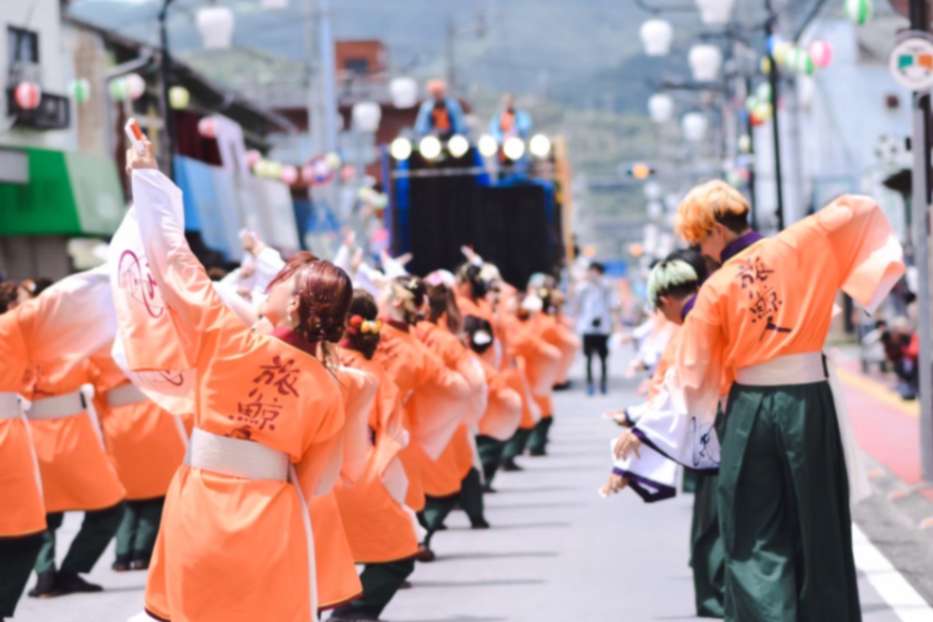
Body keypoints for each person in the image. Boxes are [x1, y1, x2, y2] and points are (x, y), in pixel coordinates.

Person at [612, 180, 904, 622]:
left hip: (751, 409)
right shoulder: (805, 240)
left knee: (753, 530)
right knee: (820, 522)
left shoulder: (715, 290)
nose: (701, 251)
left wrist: (644, 428)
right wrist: (868, 290)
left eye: (699, 239)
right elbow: (859, 209)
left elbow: (691, 375)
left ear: (715, 230)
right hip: (810, 399)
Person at [118, 140, 349, 622]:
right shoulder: (329, 388)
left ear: (293, 304)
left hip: (201, 506)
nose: (271, 282)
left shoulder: (227, 337)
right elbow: (316, 483)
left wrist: (146, 178)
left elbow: (175, 264)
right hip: (273, 519)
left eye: (282, 277)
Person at [0, 268, 116, 616]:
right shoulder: (15, 329)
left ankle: (48, 576)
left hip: (30, 431)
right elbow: (66, 297)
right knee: (28, 530)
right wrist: (114, 270)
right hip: (36, 434)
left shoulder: (20, 333)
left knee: (35, 524)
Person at [330, 291, 420, 622]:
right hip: (359, 471)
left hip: (311, 475)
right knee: (400, 552)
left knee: (320, 555)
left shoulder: (315, 363)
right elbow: (393, 434)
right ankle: (354, 610)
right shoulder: (375, 373)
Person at [87, 348, 187, 572]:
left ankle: (122, 554)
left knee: (128, 495)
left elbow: (92, 394)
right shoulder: (148, 337)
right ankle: (142, 552)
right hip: (155, 415)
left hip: (117, 422)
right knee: (157, 492)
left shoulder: (98, 349)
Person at [571, 261, 615, 395]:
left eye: (596, 271)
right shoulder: (583, 287)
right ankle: (590, 384)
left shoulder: (607, 285)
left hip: (603, 328)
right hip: (587, 328)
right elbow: (575, 301)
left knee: (603, 359)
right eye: (591, 271)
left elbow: (614, 304)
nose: (593, 274)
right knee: (588, 358)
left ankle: (603, 384)